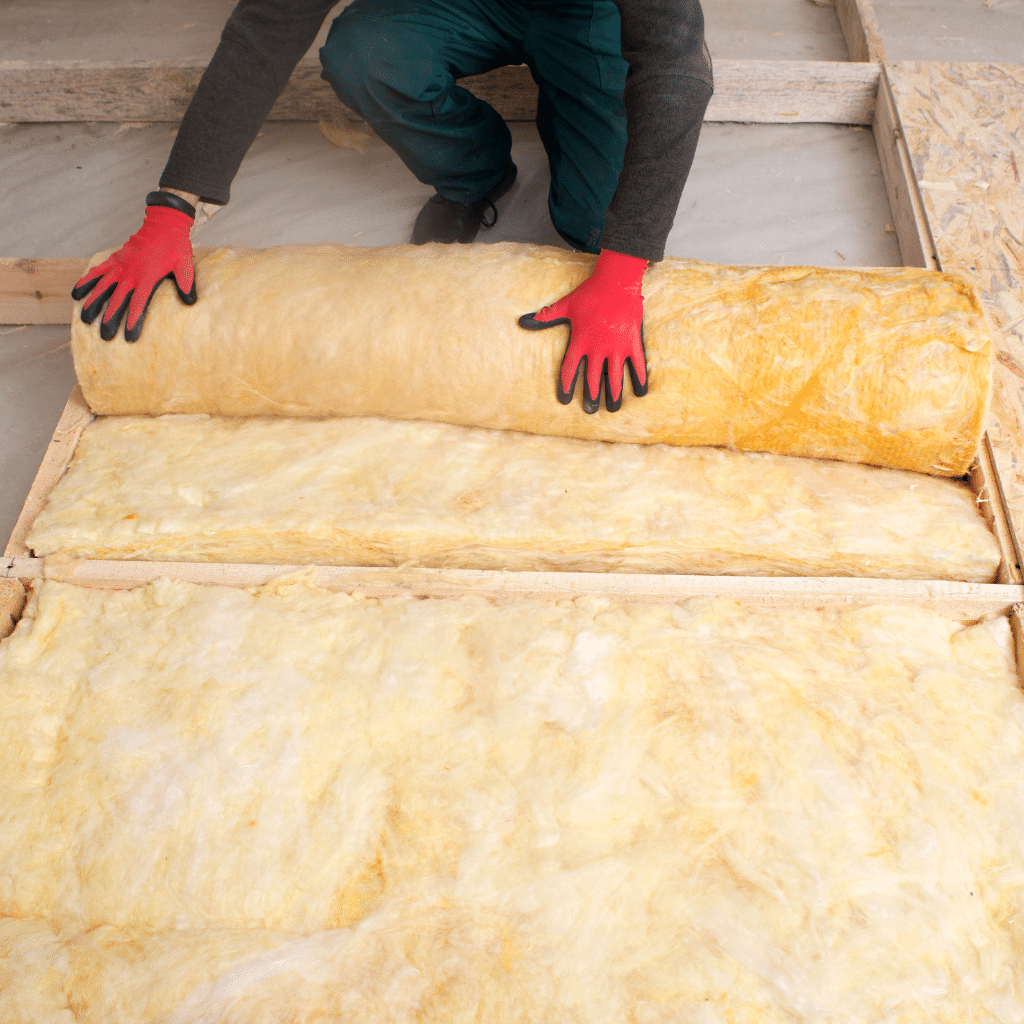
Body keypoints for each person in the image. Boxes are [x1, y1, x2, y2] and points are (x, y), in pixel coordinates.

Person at [73, 0, 713, 412]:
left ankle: (573, 108)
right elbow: (269, 22)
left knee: (598, 225)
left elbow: (674, 64)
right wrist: (172, 208)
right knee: (366, 52)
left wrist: (624, 269)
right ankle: (473, 174)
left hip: (593, 14)